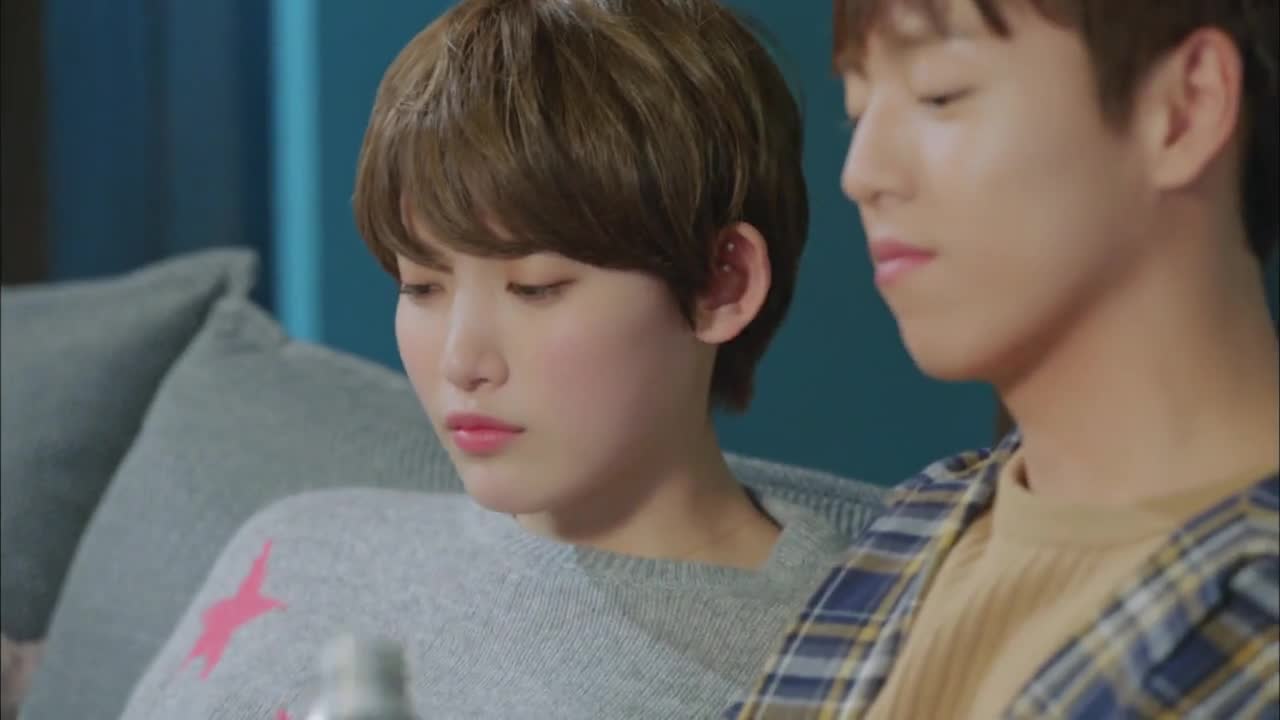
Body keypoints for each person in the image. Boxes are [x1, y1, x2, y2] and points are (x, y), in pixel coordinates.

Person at [118, 2, 877, 718]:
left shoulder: (834, 672)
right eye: (421, 286)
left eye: (534, 288)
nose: (461, 361)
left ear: (722, 282)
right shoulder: (297, 543)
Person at [731, 0, 1279, 717]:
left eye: (939, 94)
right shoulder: (908, 533)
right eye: (858, 109)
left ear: (1185, 107)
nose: (861, 173)